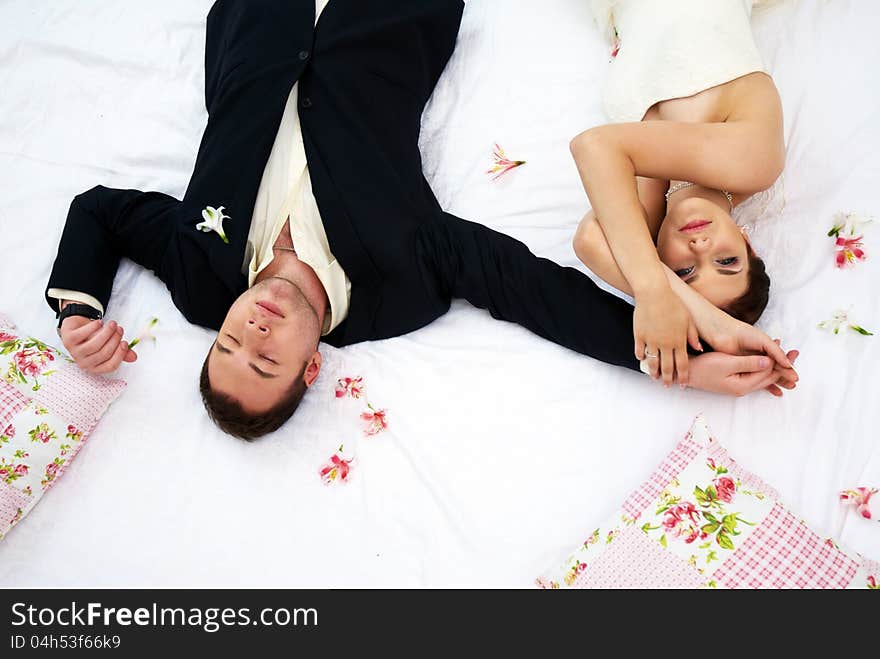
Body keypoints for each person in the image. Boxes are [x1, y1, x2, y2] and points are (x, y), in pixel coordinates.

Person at [46, 0, 798, 440]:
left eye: (231, 343)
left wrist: (79, 305)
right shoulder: (398, 288)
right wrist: (677, 363)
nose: (254, 328)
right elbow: (528, 288)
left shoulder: (196, 275)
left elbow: (99, 213)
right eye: (266, 358)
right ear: (313, 366)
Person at [571, 0, 787, 386]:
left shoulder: (650, 201)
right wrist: (658, 292)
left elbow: (590, 239)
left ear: (658, 258)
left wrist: (669, 300)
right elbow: (595, 146)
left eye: (685, 272)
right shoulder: (754, 165)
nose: (702, 247)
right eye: (727, 260)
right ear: (747, 242)